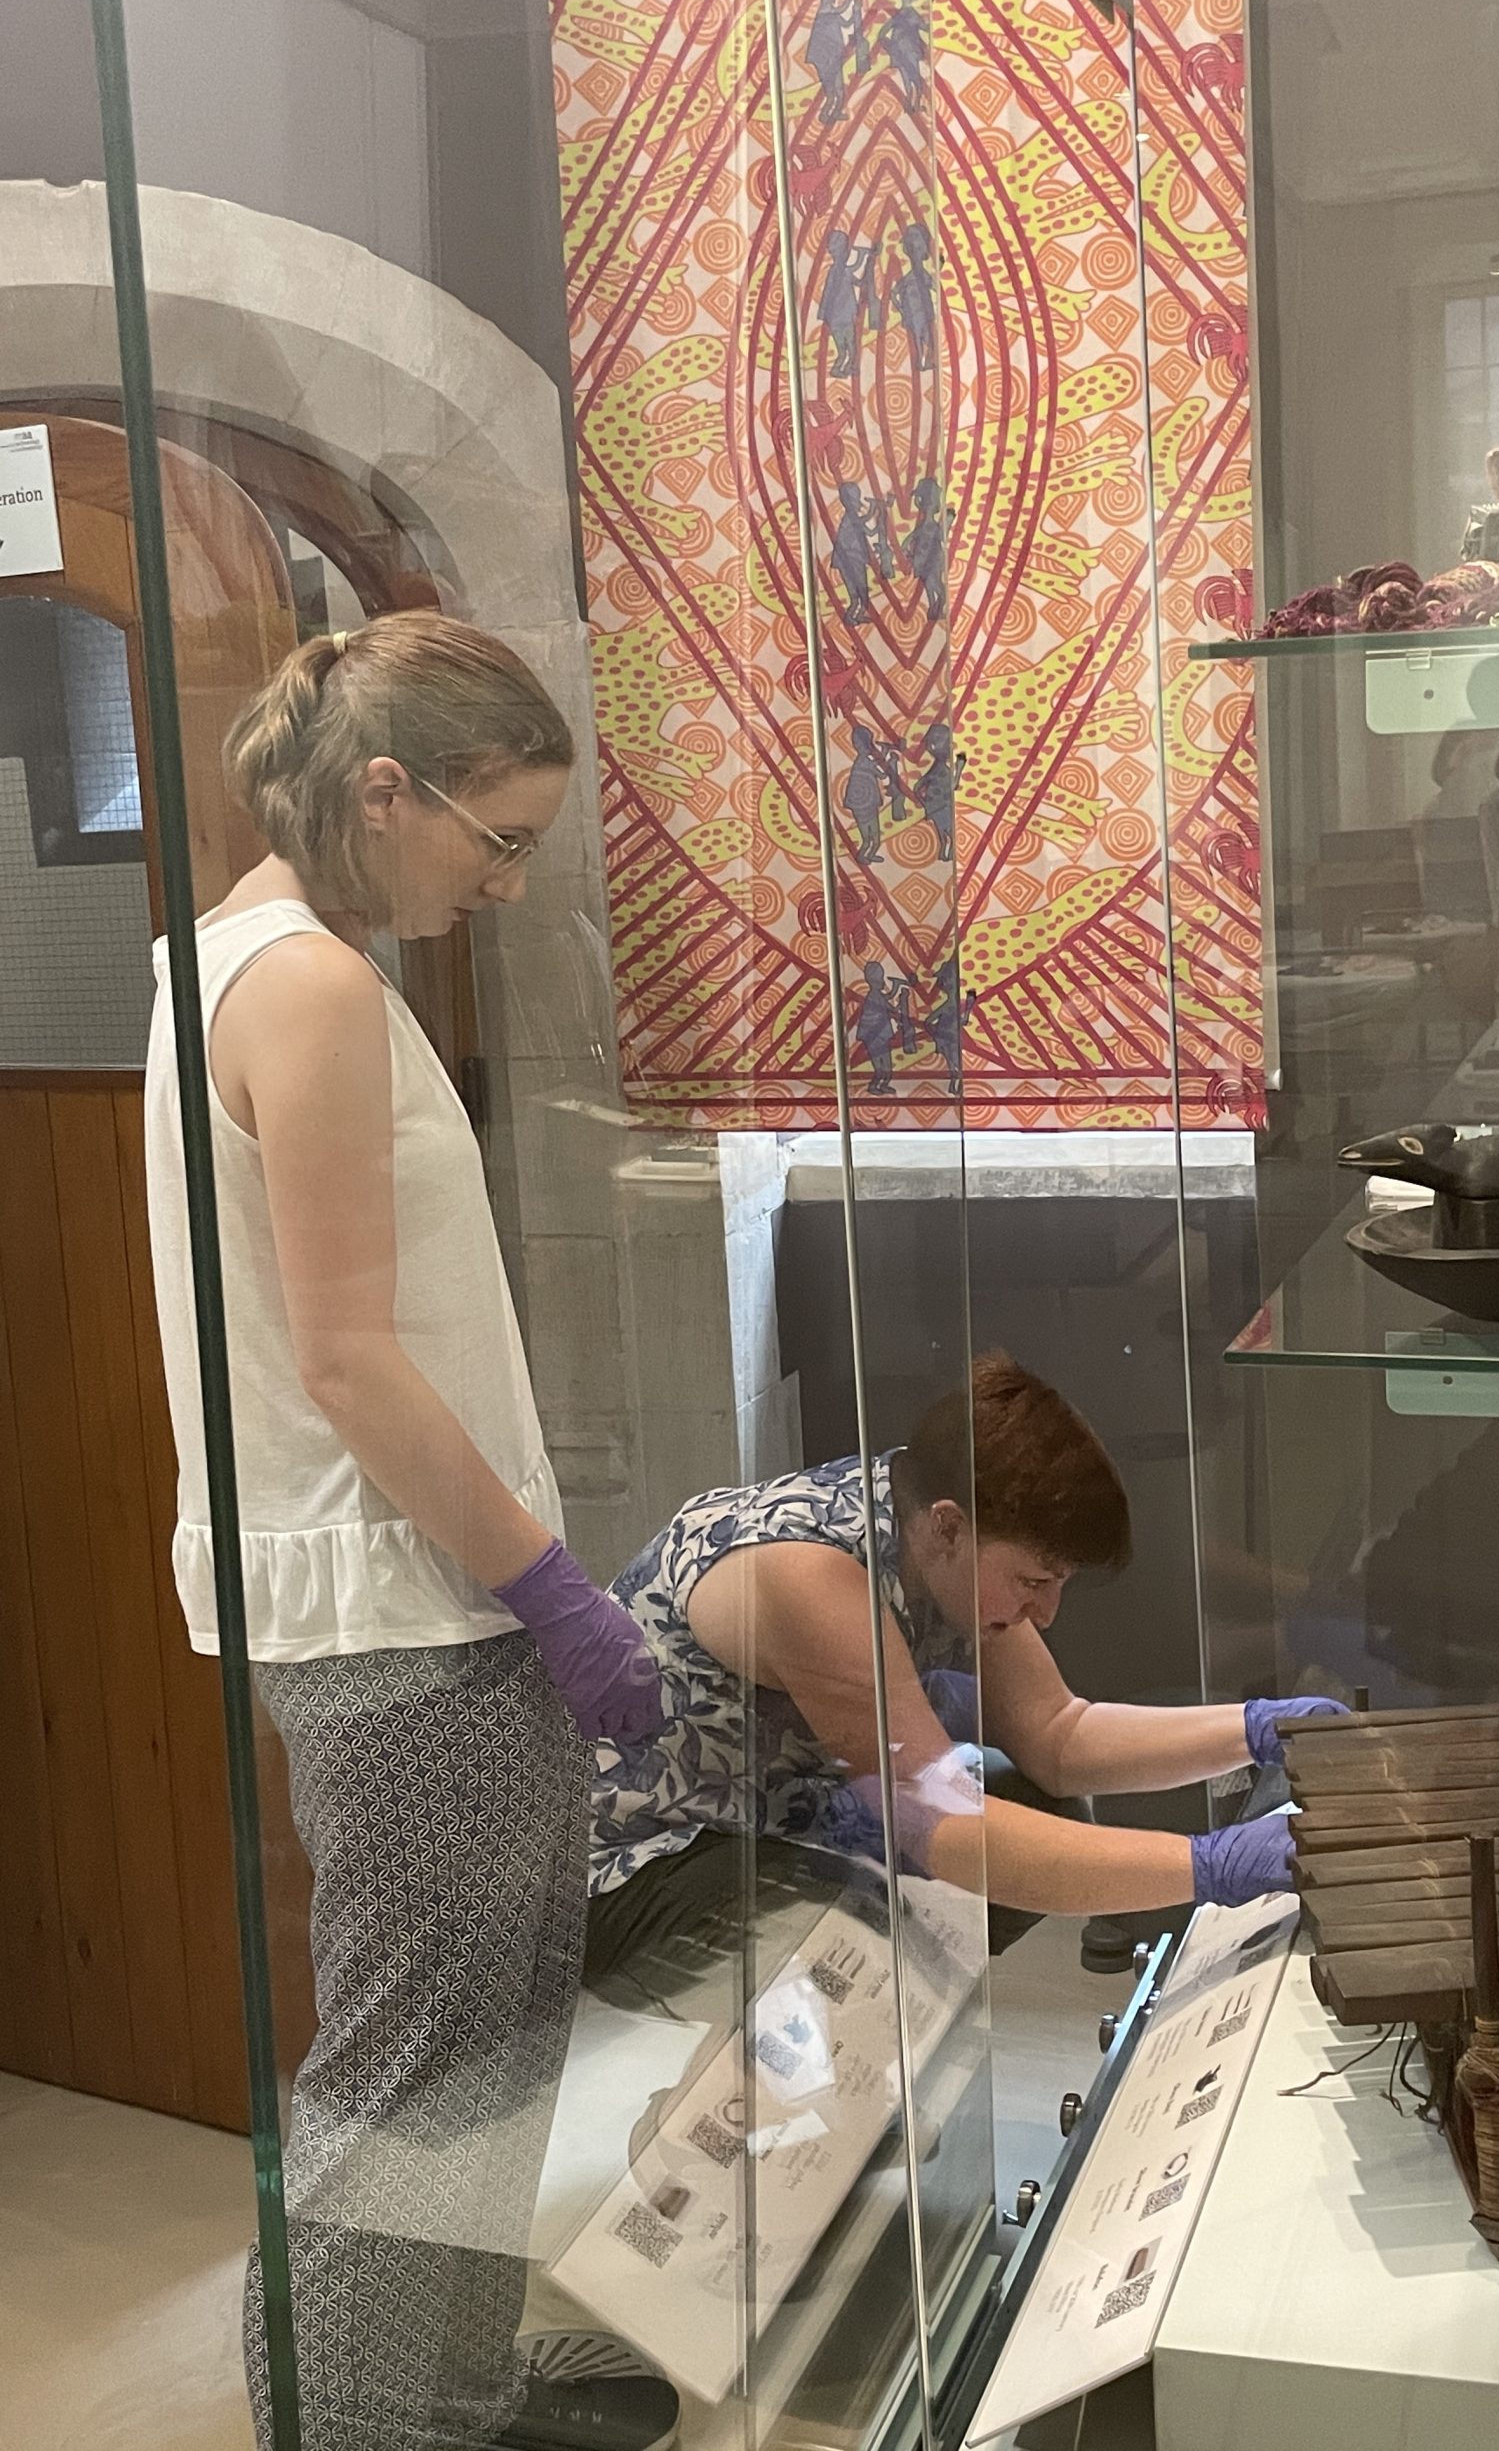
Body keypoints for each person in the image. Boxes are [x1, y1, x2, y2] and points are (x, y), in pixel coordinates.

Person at [144, 613, 672, 2451]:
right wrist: (551, 1593)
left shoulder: (246, 960)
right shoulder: (302, 989)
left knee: (486, 2026)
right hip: (404, 1613)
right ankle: (381, 2422)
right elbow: (352, 1363)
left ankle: (444, 2382)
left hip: (414, 1599)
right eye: (496, 839)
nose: (509, 883)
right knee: (417, 2059)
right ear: (386, 790)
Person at [584, 1357, 1337, 2013]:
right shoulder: (812, 1578)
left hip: (772, 1806)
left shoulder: (935, 1534)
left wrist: (1260, 1729)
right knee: (852, 1968)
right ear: (948, 1527)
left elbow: (1058, 1734)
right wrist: (1207, 1867)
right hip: (644, 1859)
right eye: (1034, 1579)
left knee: (1029, 1797)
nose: (1046, 1609)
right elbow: (943, 1825)